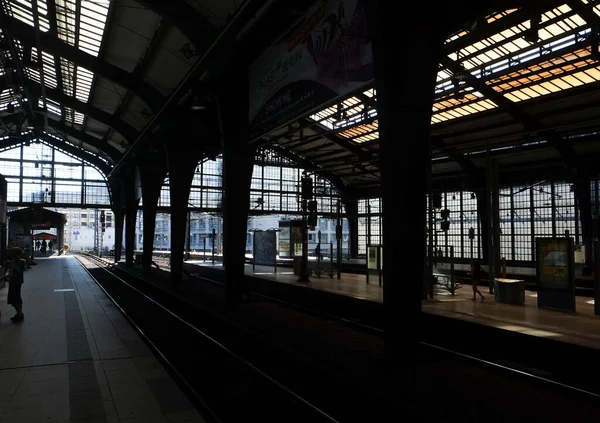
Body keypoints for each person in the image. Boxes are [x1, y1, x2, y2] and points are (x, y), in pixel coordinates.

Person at [1, 247, 26, 322]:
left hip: (17, 281)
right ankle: (19, 313)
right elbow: (12, 272)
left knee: (17, 297)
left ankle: (20, 314)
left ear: (16, 253)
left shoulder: (21, 261)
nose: (10, 254)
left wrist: (11, 264)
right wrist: (5, 277)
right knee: (13, 298)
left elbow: (18, 270)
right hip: (13, 281)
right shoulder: (13, 261)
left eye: (11, 252)